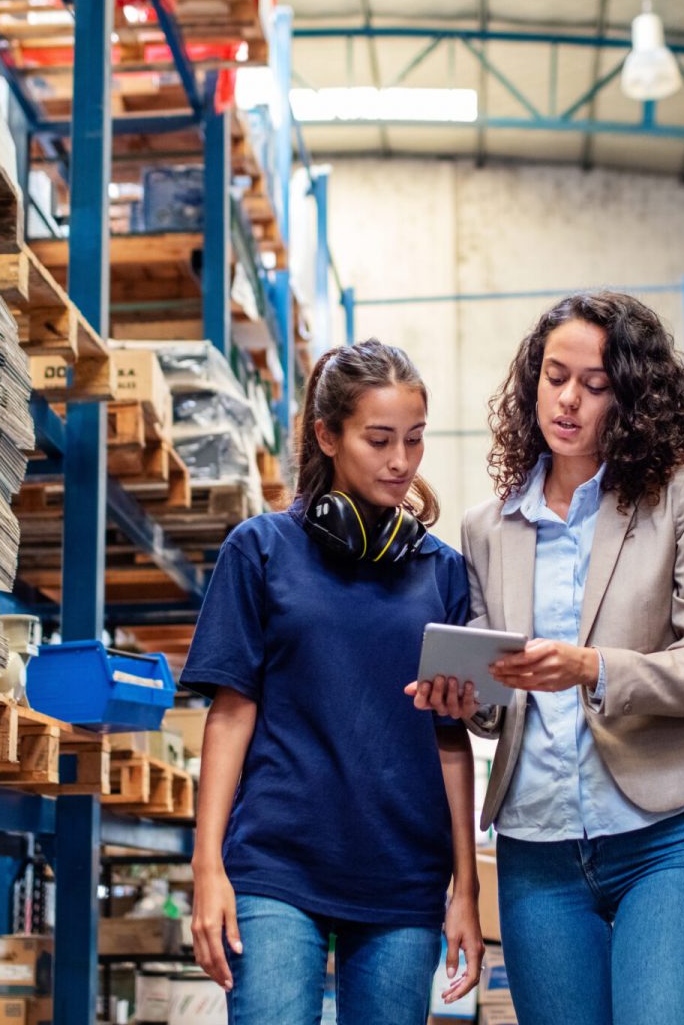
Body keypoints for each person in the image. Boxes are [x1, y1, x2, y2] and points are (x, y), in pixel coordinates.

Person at [409, 291, 684, 1025]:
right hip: (538, 848)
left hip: (663, 835)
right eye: (554, 376)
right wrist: (468, 700)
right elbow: (499, 715)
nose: (568, 400)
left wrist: (593, 668)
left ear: (628, 400)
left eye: (594, 386)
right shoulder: (488, 529)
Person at [182, 340, 485, 1024]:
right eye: (379, 440)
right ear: (327, 435)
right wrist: (208, 868)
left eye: (414, 440)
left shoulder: (443, 574)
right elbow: (231, 715)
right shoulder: (260, 550)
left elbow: (451, 738)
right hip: (276, 867)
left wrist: (465, 887)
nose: (401, 461)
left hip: (403, 875)